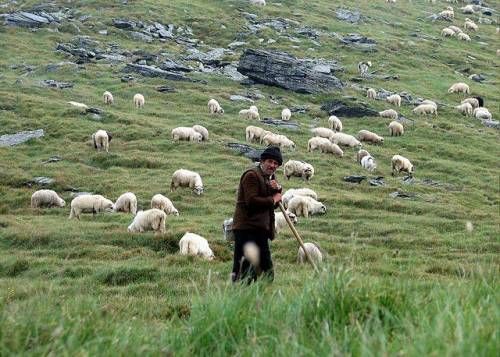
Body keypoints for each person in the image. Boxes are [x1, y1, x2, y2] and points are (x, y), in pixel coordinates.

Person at [231, 146, 283, 283]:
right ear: (262, 160)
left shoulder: (269, 178)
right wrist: (273, 199)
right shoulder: (251, 175)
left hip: (260, 230)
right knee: (245, 271)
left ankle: (266, 299)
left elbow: (273, 205)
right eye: (270, 161)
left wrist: (276, 191)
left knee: (267, 270)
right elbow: (252, 201)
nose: (272, 165)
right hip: (246, 229)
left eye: (276, 163)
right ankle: (240, 301)